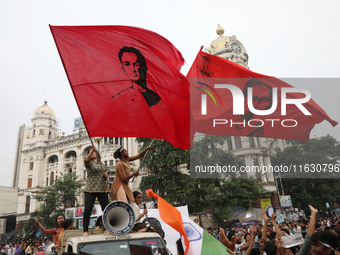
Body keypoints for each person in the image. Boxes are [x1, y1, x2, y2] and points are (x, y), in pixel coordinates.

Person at [83, 147, 109, 236]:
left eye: (94, 152)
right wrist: (90, 151)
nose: (93, 153)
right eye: (91, 153)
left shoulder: (101, 164)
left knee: (106, 209)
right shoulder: (88, 163)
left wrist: (106, 176)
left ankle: (107, 227)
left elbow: (105, 175)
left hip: (102, 189)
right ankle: (85, 230)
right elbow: (86, 159)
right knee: (88, 209)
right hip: (90, 189)